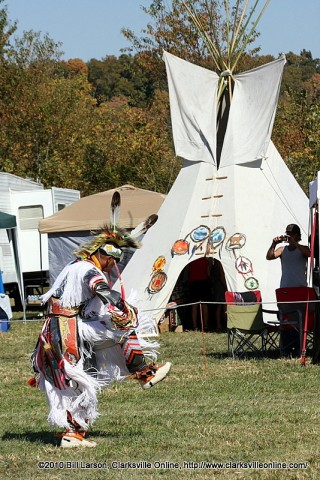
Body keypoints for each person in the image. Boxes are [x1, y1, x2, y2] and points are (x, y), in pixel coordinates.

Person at [29, 225, 171, 448]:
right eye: (112, 261)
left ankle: (73, 434)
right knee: (122, 329)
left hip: (56, 329)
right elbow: (101, 289)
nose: (112, 266)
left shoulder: (72, 266)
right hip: (68, 330)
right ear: (104, 256)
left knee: (81, 379)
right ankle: (144, 372)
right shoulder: (89, 270)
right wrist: (121, 308)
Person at [266, 223, 310, 356]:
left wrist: (294, 243)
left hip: (299, 288)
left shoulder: (302, 248)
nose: (288, 235)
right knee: (286, 319)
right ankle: (285, 348)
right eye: (287, 233)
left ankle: (298, 348)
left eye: (291, 233)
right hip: (285, 289)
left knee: (299, 319)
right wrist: (273, 244)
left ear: (297, 235)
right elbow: (269, 256)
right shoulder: (282, 249)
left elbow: (309, 254)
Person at [187, 257, 211, 331]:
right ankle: (205, 325)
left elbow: (188, 272)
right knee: (204, 305)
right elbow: (208, 273)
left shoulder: (191, 261)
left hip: (193, 283)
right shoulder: (205, 261)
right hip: (203, 282)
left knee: (194, 305)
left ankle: (195, 326)